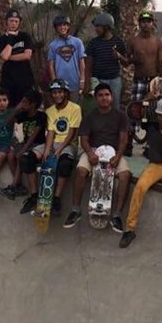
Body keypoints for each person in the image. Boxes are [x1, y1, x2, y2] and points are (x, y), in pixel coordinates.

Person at [120, 98, 162, 260]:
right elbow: (133, 113)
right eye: (161, 116)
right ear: (156, 115)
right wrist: (145, 103)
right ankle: (130, 229)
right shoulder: (150, 125)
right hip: (154, 165)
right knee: (140, 187)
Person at [63, 83, 132, 231]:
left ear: (112, 97)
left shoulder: (120, 115)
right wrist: (90, 153)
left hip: (114, 152)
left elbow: (123, 139)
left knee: (125, 175)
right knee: (81, 171)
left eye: (107, 95)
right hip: (93, 150)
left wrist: (118, 156)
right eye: (100, 95)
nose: (104, 98)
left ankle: (117, 215)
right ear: (95, 98)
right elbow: (84, 139)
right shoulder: (90, 117)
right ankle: (75, 210)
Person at [19, 79, 82, 215]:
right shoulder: (50, 111)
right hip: (53, 142)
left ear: (65, 93)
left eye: (60, 92)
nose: (57, 95)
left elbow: (71, 133)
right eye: (54, 93)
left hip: (68, 144)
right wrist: (47, 150)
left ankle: (57, 199)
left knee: (64, 164)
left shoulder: (75, 108)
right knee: (26, 159)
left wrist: (58, 151)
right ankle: (34, 196)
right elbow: (51, 133)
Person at [7, 90, 47, 210]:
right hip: (25, 144)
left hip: (37, 144)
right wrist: (17, 109)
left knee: (22, 155)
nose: (22, 104)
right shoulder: (23, 115)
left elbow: (35, 135)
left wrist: (23, 149)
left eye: (24, 102)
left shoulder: (41, 116)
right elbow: (7, 121)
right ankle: (18, 184)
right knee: (10, 155)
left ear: (33, 104)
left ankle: (14, 185)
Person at [83, 13, 129, 108]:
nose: (96, 29)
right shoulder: (93, 43)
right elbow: (88, 65)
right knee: (97, 108)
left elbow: (126, 63)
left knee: (115, 108)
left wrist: (119, 56)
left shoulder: (118, 42)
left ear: (107, 27)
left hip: (114, 81)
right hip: (98, 81)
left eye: (98, 26)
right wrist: (86, 85)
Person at [0, 9, 35, 106]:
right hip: (8, 81)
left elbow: (27, 55)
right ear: (6, 22)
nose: (13, 24)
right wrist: (10, 40)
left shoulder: (25, 36)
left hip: (25, 79)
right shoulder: (1, 40)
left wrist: (9, 57)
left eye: (16, 21)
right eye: (11, 21)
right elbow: (4, 56)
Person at [127, 11, 162, 103]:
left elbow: (161, 62)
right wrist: (134, 59)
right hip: (139, 79)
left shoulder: (157, 41)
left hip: (154, 80)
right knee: (136, 110)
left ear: (152, 24)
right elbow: (125, 61)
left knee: (154, 110)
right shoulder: (133, 41)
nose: (146, 24)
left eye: (148, 22)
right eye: (143, 22)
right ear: (139, 23)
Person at [47, 15, 86, 103]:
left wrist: (82, 79)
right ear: (56, 28)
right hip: (61, 84)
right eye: (59, 26)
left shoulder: (77, 42)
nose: (62, 27)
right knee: (62, 108)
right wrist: (54, 82)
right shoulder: (53, 45)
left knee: (76, 108)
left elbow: (81, 62)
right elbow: (51, 65)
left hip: (75, 82)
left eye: (64, 25)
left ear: (68, 26)